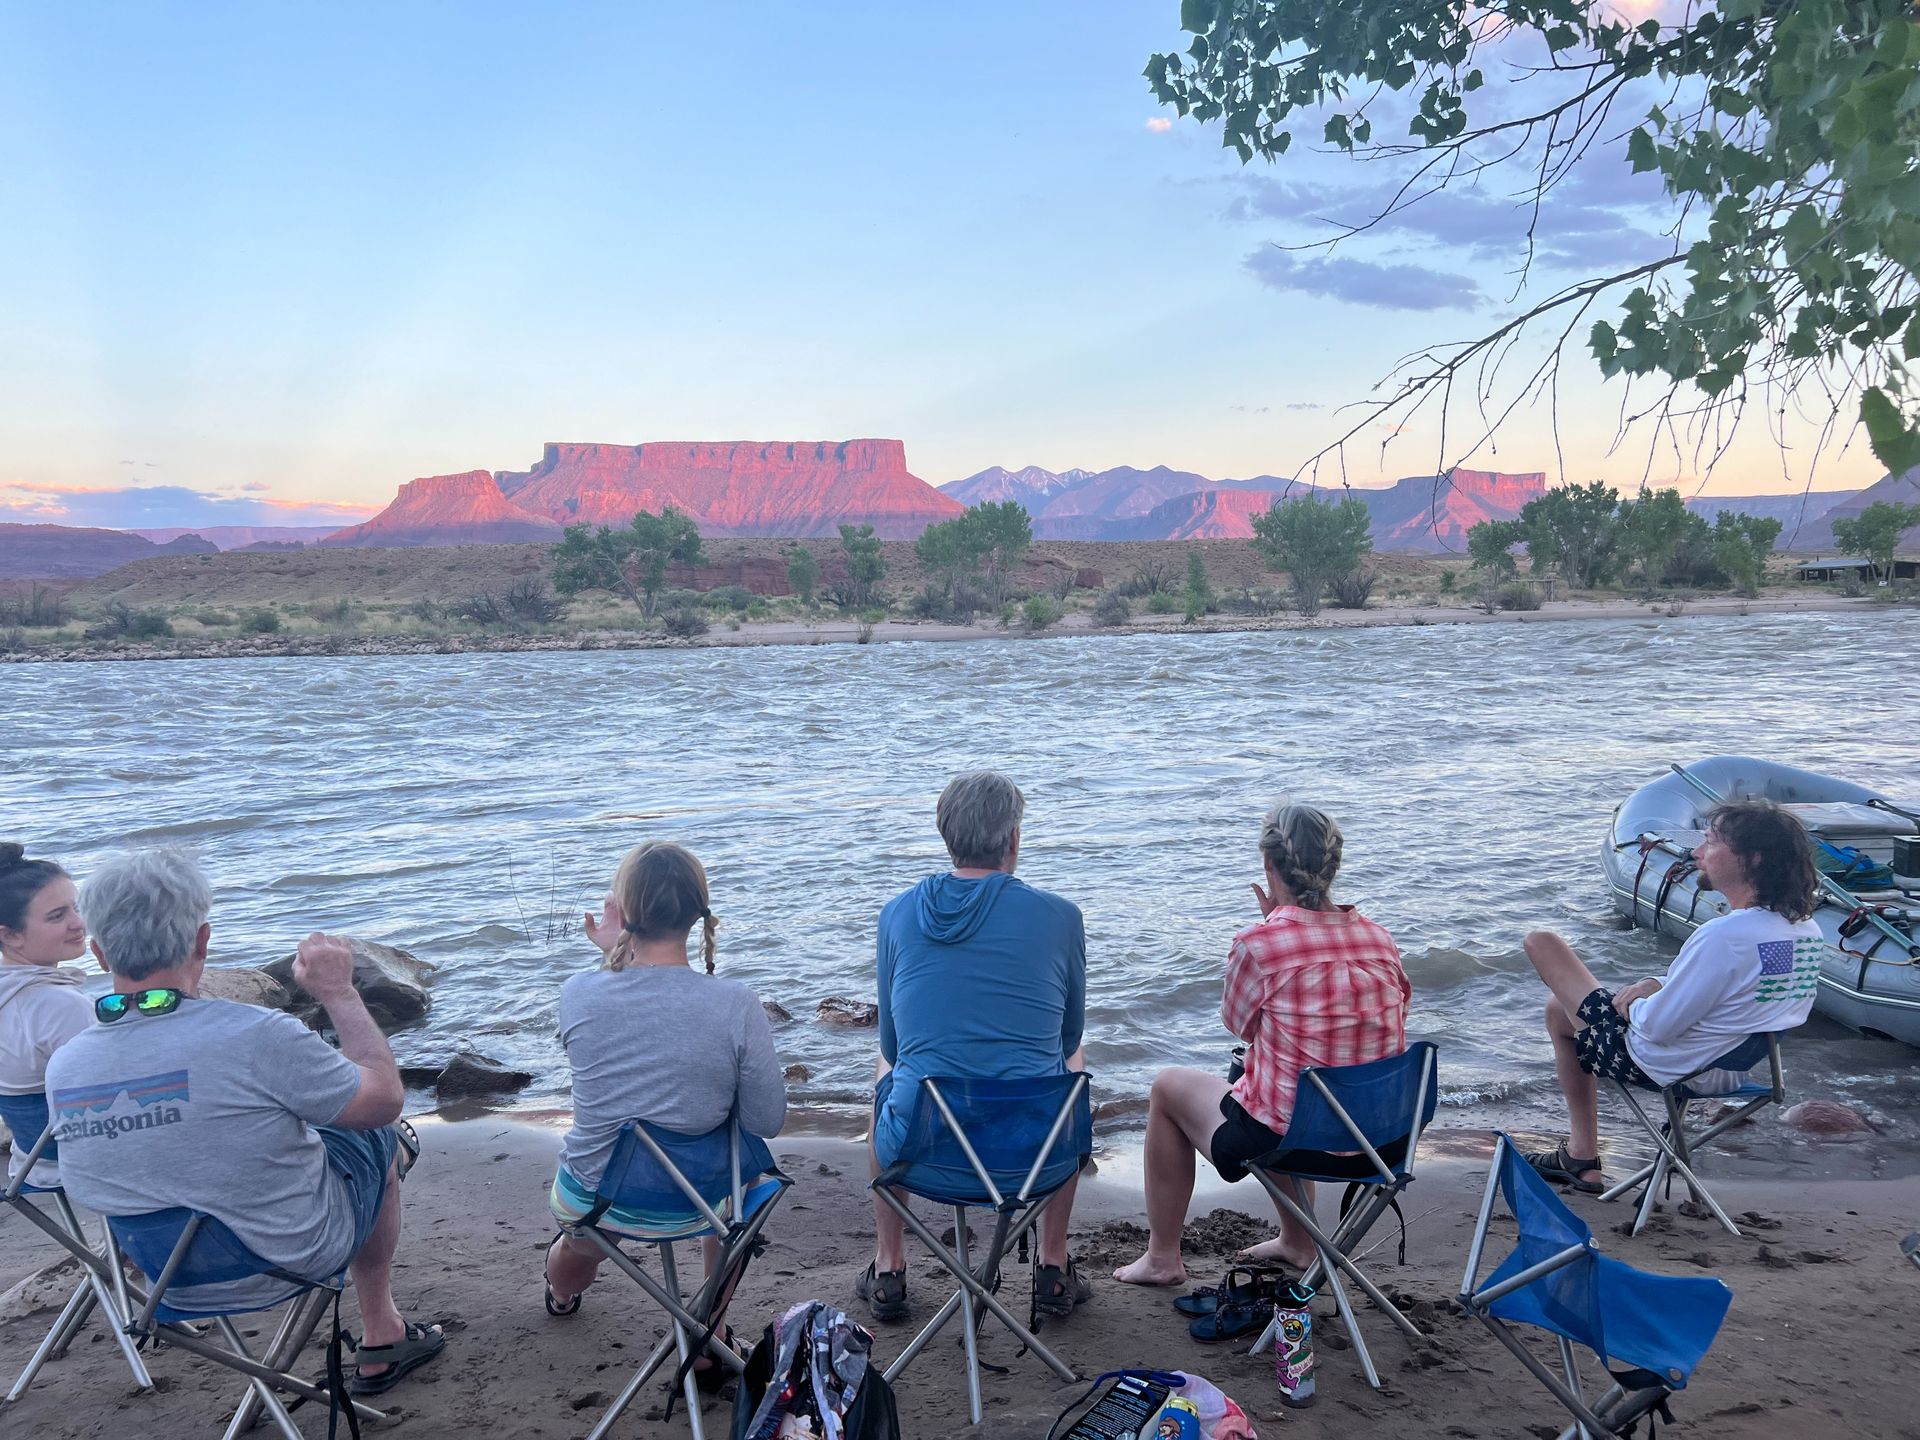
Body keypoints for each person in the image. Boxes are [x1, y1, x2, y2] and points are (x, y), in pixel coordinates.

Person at [44, 847, 444, 1396]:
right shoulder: (253, 1035)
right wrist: (339, 992)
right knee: (377, 1133)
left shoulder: (68, 1062)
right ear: (202, 941)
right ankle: (382, 1332)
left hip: (161, 1280)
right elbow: (383, 1098)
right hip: (286, 1256)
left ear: (96, 951)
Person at [1113, 802, 1411, 1288]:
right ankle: (1298, 1239)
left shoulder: (1259, 943)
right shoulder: (1379, 938)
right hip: (1379, 1140)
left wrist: (1273, 925)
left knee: (1169, 1087)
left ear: (1269, 865)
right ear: (1333, 865)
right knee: (1305, 1081)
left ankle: (1163, 1257)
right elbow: (1391, 1019)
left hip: (1291, 1140)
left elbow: (1239, 1025)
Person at [859, 770, 1089, 1322]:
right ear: (1012, 839)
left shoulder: (896, 913)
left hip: (924, 1145)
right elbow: (1069, 1038)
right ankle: (1052, 1266)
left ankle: (889, 1267)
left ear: (946, 834)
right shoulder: (1060, 916)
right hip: (1030, 1151)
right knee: (1069, 1066)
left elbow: (893, 1042)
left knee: (887, 1067)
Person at [543, 839, 785, 1359]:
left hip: (596, 1197)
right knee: (746, 1175)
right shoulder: (737, 1004)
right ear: (699, 914)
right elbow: (767, 1120)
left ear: (627, 913)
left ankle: (562, 1292)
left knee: (578, 1240)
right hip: (699, 1202)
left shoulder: (577, 992)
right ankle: (710, 1335)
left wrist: (615, 951)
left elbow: (631, 1026)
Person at [1524, 797, 1823, 1192]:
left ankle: (1582, 1155)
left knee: (1542, 941)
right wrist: (1656, 982)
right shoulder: (1803, 932)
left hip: (1663, 1064)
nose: (1697, 852)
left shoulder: (1726, 935)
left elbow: (1657, 1026)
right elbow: (1730, 991)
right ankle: (1582, 1157)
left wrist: (1633, 1002)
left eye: (1711, 843)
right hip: (1728, 1069)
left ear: (1752, 860)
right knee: (1558, 1011)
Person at [0, 843, 98, 1189]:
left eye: (76, 908)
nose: (78, 924)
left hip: (32, 1161)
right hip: (87, 1162)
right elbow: (109, 1099)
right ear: (9, 935)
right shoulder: (58, 1005)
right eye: (58, 916)